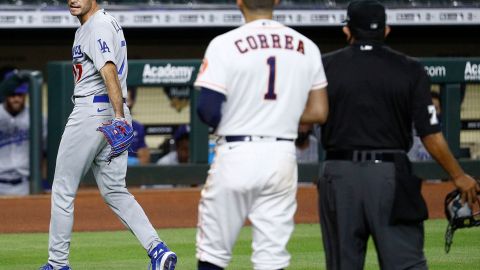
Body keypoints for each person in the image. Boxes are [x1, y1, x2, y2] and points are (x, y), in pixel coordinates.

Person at [319, 1, 480, 270]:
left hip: (338, 174)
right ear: (387, 30)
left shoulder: (324, 67)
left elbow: (307, 115)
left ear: (348, 31)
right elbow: (430, 134)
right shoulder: (410, 68)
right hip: (389, 176)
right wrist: (457, 175)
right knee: (406, 265)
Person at [40, 1, 176, 269]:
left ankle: (57, 264)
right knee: (115, 190)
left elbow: (109, 69)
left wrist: (117, 117)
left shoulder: (97, 25)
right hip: (111, 111)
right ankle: (157, 250)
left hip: (93, 111)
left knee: (63, 190)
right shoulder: (103, 23)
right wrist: (120, 116)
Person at [194, 0, 329, 269]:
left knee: (213, 252)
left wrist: (247, 112)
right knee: (271, 256)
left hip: (236, 151)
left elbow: (206, 109)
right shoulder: (307, 46)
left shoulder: (225, 43)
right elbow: (319, 112)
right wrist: (279, 113)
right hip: (282, 155)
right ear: (277, 1)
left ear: (239, 2)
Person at [0, 82, 32, 195]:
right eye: (12, 95)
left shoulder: (35, 116)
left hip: (25, 185)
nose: (16, 99)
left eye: (20, 95)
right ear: (6, 95)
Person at [126, 86, 151, 165]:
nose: (123, 104)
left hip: (131, 173)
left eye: (126, 100)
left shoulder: (138, 127)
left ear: (132, 102)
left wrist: (131, 162)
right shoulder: (105, 125)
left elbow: (145, 159)